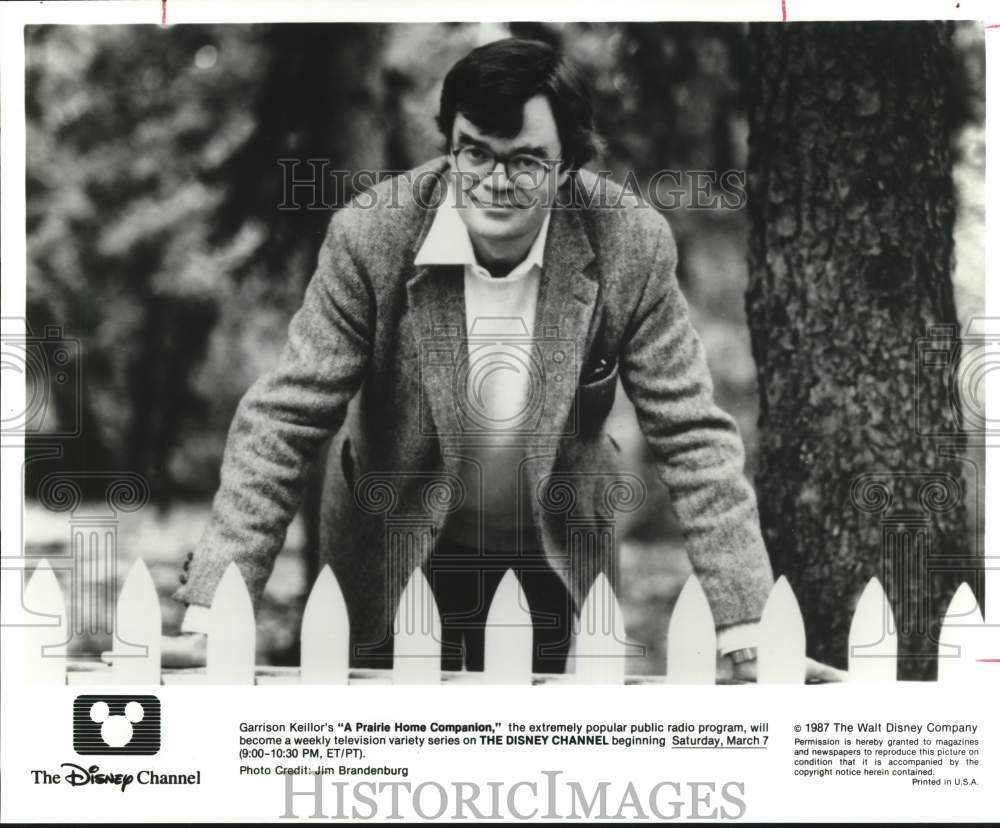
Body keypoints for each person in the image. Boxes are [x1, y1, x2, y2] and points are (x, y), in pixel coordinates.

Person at [166, 37, 843, 681]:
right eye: (475, 153)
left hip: (547, 548)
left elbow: (692, 434)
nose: (495, 181)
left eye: (525, 161)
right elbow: (282, 418)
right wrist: (212, 613)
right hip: (390, 539)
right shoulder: (371, 235)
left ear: (569, 162)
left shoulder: (632, 245)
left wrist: (746, 628)